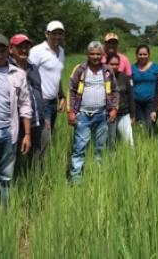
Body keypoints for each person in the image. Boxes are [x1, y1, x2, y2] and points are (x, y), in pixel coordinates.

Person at [0, 34, 32, 204]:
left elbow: (25, 104)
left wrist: (27, 134)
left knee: (6, 175)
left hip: (8, 132)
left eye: (3, 50)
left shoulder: (17, 73)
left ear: (8, 51)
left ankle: (5, 211)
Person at [67, 41, 118, 181]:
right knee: (79, 148)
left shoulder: (107, 70)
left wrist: (114, 108)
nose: (95, 56)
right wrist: (71, 112)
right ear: (87, 54)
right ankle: (75, 181)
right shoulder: (80, 69)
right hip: (83, 115)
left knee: (100, 148)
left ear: (102, 55)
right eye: (92, 54)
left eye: (98, 54)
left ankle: (97, 179)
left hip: (102, 115)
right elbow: (71, 90)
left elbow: (114, 90)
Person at [9, 34, 51, 170]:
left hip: (39, 120)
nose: (24, 50)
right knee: (16, 159)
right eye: (20, 47)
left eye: (27, 47)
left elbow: (39, 92)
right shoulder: (5, 68)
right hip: (17, 123)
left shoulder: (33, 68)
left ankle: (37, 185)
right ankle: (16, 185)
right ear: (11, 49)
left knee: (39, 157)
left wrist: (45, 116)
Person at [29, 20, 66, 132]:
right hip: (40, 101)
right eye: (54, 33)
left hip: (53, 102)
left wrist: (62, 96)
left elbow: (56, 76)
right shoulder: (37, 51)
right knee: (44, 137)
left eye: (60, 33)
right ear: (47, 34)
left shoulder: (62, 51)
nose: (57, 36)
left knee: (49, 136)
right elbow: (28, 74)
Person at [131, 45, 158, 135]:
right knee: (140, 125)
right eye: (140, 54)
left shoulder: (156, 68)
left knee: (149, 124)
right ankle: (142, 143)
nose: (142, 56)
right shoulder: (132, 68)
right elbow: (129, 84)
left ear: (149, 54)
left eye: (145, 54)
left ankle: (152, 142)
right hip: (136, 102)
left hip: (151, 101)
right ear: (136, 55)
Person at [107, 54, 135, 148]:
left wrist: (133, 114)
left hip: (124, 113)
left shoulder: (124, 76)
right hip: (109, 114)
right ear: (107, 64)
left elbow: (130, 95)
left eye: (116, 64)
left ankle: (131, 159)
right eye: (111, 64)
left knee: (129, 141)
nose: (114, 66)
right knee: (111, 141)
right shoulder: (102, 77)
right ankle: (110, 160)